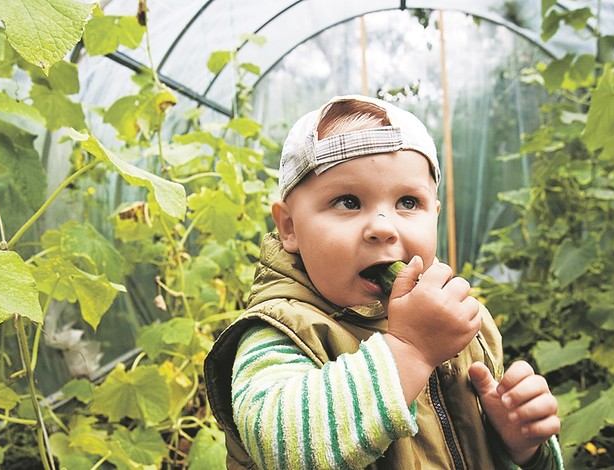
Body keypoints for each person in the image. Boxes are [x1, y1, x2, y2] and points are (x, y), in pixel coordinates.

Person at [204, 95, 562, 469]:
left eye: (408, 202)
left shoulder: (465, 326)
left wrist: (520, 447)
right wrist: (410, 350)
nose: (382, 227)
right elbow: (280, 447)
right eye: (347, 201)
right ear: (290, 228)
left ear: (434, 215)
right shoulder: (282, 333)